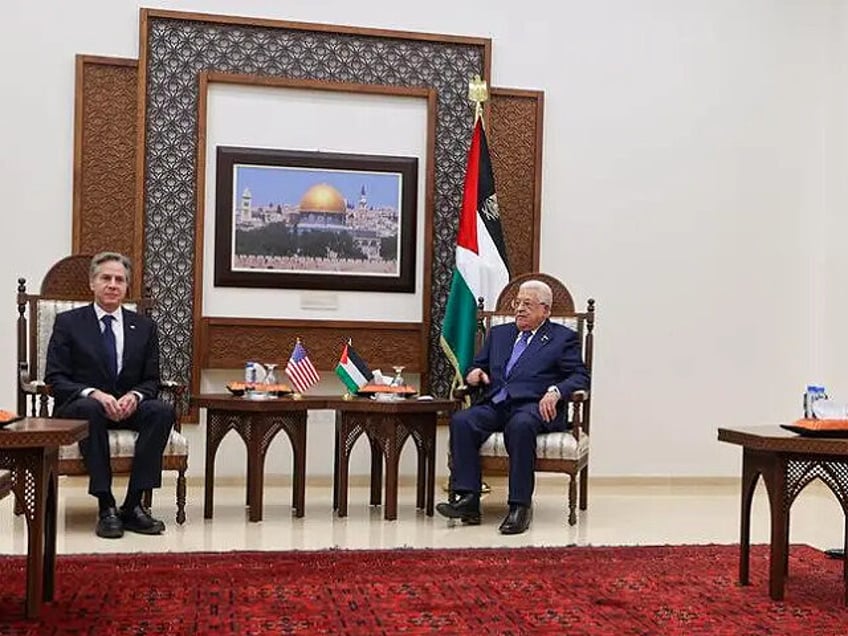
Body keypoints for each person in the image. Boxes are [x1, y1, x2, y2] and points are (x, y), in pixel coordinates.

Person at [437, 280, 590, 535]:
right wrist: (475, 373)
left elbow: (579, 377)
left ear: (545, 310)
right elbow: (478, 366)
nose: (519, 309)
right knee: (463, 421)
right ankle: (468, 499)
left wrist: (555, 392)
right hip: (497, 402)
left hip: (534, 407)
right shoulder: (500, 334)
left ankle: (520, 506)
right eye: (517, 303)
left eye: (527, 304)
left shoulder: (563, 338)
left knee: (519, 426)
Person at [45, 252, 174, 539]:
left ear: (127, 287)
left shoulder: (143, 326)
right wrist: (95, 394)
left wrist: (136, 396)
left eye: (120, 280)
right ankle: (106, 505)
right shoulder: (68, 323)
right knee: (91, 410)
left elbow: (152, 379)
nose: (113, 285)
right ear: (92, 283)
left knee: (162, 411)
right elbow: (55, 377)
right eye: (106, 278)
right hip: (83, 408)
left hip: (126, 406)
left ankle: (133, 504)